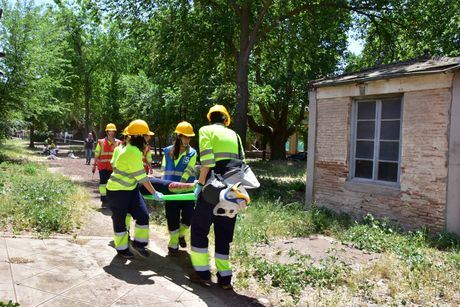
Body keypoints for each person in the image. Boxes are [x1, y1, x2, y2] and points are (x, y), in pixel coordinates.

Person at [190, 105, 245, 290]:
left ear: (210, 118)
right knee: (223, 234)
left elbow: (207, 161)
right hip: (232, 192)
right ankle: (225, 278)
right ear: (226, 120)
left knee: (199, 230)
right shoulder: (235, 136)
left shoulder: (206, 130)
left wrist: (199, 184)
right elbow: (242, 163)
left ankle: (202, 273)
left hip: (212, 189)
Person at [106, 119, 164, 259]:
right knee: (120, 221)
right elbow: (142, 178)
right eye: (147, 135)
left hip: (130, 189)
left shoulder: (134, 150)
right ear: (140, 136)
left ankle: (139, 244)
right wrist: (155, 193)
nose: (149, 137)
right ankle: (122, 249)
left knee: (143, 215)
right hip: (117, 191)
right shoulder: (132, 151)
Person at [161, 121, 197, 256]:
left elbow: (188, 171)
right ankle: (173, 243)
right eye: (185, 136)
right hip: (170, 191)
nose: (187, 139)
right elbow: (164, 170)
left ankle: (181, 234)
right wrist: (163, 186)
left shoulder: (192, 153)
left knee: (188, 218)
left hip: (187, 191)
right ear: (179, 136)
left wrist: (180, 186)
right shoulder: (167, 151)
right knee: (172, 217)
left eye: (189, 137)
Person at [93, 123, 120, 206]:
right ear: (107, 132)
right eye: (110, 131)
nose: (111, 132)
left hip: (114, 168)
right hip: (103, 167)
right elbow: (97, 154)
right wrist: (94, 165)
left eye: (113, 131)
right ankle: (104, 200)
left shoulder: (119, 143)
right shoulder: (101, 142)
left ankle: (112, 200)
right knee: (103, 183)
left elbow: (121, 154)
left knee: (113, 184)